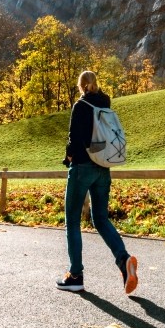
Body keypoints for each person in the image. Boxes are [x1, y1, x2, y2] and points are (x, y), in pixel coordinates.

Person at [57, 70, 138, 294]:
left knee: (72, 220)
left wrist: (69, 157)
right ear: (96, 84)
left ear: (81, 85)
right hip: (103, 168)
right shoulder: (106, 103)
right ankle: (124, 260)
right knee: (101, 219)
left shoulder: (81, 106)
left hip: (82, 168)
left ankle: (75, 275)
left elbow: (74, 140)